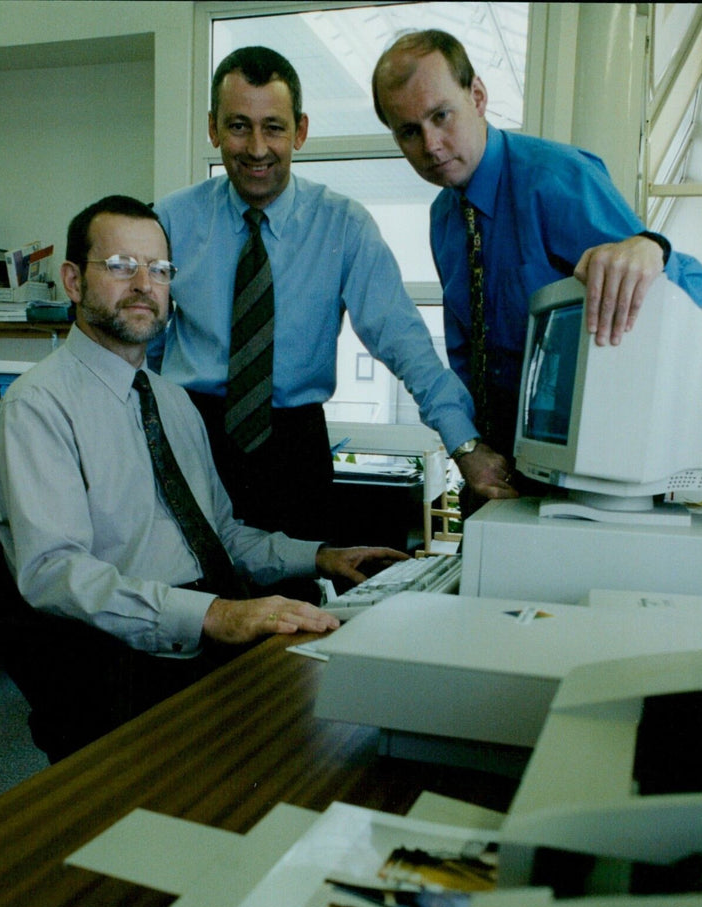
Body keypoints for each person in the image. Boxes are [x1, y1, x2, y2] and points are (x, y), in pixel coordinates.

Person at [0, 195, 404, 762]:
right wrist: (214, 615)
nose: (143, 284)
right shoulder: (36, 408)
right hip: (125, 658)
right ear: (73, 281)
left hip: (208, 630)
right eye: (119, 265)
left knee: (367, 707)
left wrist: (324, 557)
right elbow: (54, 573)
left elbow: (224, 537)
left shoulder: (174, 402)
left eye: (158, 270)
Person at [150, 45, 484, 542]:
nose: (257, 147)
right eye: (239, 125)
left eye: (275, 127)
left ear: (300, 131)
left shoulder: (343, 226)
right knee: (187, 594)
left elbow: (402, 340)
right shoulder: (170, 221)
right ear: (213, 129)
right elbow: (141, 342)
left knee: (295, 604)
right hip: (188, 434)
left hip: (294, 450)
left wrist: (466, 446)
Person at [372, 29, 702, 508]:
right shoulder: (443, 218)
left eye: (440, 116)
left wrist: (651, 249)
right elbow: (466, 356)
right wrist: (472, 450)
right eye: (409, 131)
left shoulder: (556, 177)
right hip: (498, 475)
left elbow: (689, 288)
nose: (431, 144)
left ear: (478, 96)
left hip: (588, 480)